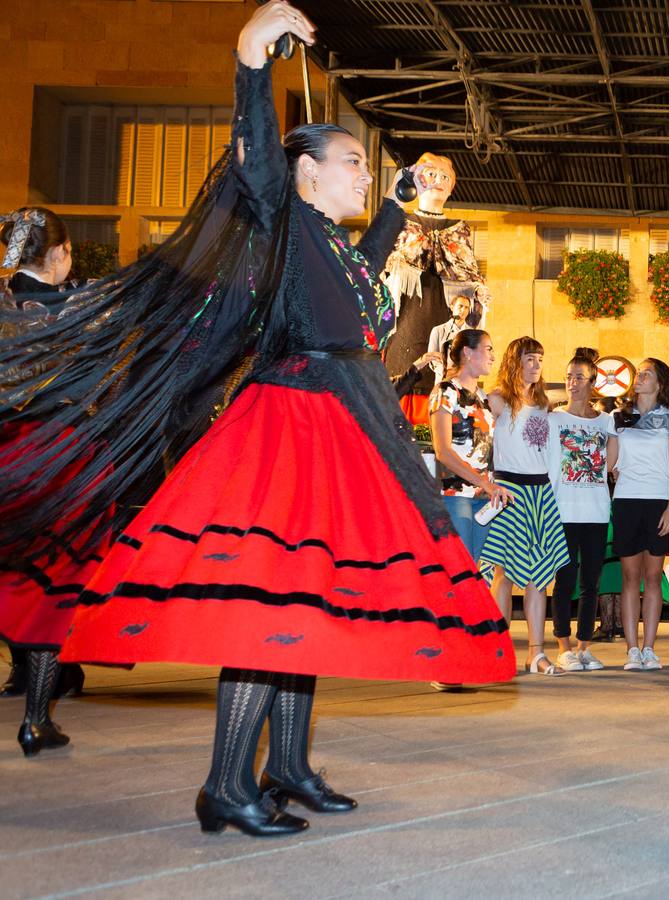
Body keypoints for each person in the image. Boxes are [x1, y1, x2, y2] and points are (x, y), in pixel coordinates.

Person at [0, 2, 516, 836]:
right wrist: (251, 58)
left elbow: (366, 267)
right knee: (267, 601)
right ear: (304, 173)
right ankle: (225, 785)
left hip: (343, 422)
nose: (358, 170)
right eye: (349, 160)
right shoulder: (280, 217)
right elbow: (257, 159)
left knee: (302, 603)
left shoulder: (332, 245)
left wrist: (398, 201)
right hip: (293, 427)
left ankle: (286, 766)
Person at [0, 207, 90, 755]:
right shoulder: (78, 308)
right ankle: (37, 716)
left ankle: (31, 682)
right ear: (58, 254)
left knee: (12, 574)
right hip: (58, 455)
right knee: (53, 581)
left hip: (5, 451)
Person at [482, 335, 570, 677]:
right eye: (530, 358)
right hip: (509, 489)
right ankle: (496, 648)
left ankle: (536, 653)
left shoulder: (544, 404)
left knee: (541, 575)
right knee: (502, 573)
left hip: (540, 491)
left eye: (540, 359)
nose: (536, 365)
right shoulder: (498, 399)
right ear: (514, 361)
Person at [379, 152, 486, 424]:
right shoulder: (399, 222)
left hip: (446, 325)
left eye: (445, 176)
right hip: (405, 330)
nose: (438, 181)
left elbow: (471, 282)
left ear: (452, 186)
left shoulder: (459, 231)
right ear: (417, 179)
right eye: (431, 174)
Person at [611, 358, 669, 672]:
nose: (639, 377)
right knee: (629, 578)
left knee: (653, 577)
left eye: (647, 373)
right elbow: (610, 463)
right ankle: (631, 650)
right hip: (626, 501)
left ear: (660, 383)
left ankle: (649, 649)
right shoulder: (617, 417)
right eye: (638, 373)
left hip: (658, 503)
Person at [548, 347, 617, 673]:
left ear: (592, 383)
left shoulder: (606, 421)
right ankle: (563, 646)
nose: (572, 383)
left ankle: (584, 646)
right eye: (568, 377)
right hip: (563, 510)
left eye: (579, 378)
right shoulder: (554, 418)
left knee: (592, 582)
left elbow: (614, 461)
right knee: (564, 580)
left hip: (596, 510)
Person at [427, 329, 504, 566]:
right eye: (488, 349)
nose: (493, 356)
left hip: (483, 498)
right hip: (454, 495)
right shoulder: (446, 391)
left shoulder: (483, 397)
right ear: (468, 353)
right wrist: (485, 484)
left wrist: (491, 485)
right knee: (459, 571)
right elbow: (443, 451)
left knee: (473, 570)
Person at [426, 290, 475, 383]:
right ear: (452, 307)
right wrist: (445, 371)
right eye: (460, 306)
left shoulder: (472, 333)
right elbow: (431, 358)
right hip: (444, 380)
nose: (463, 310)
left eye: (466, 308)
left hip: (464, 381)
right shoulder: (438, 330)